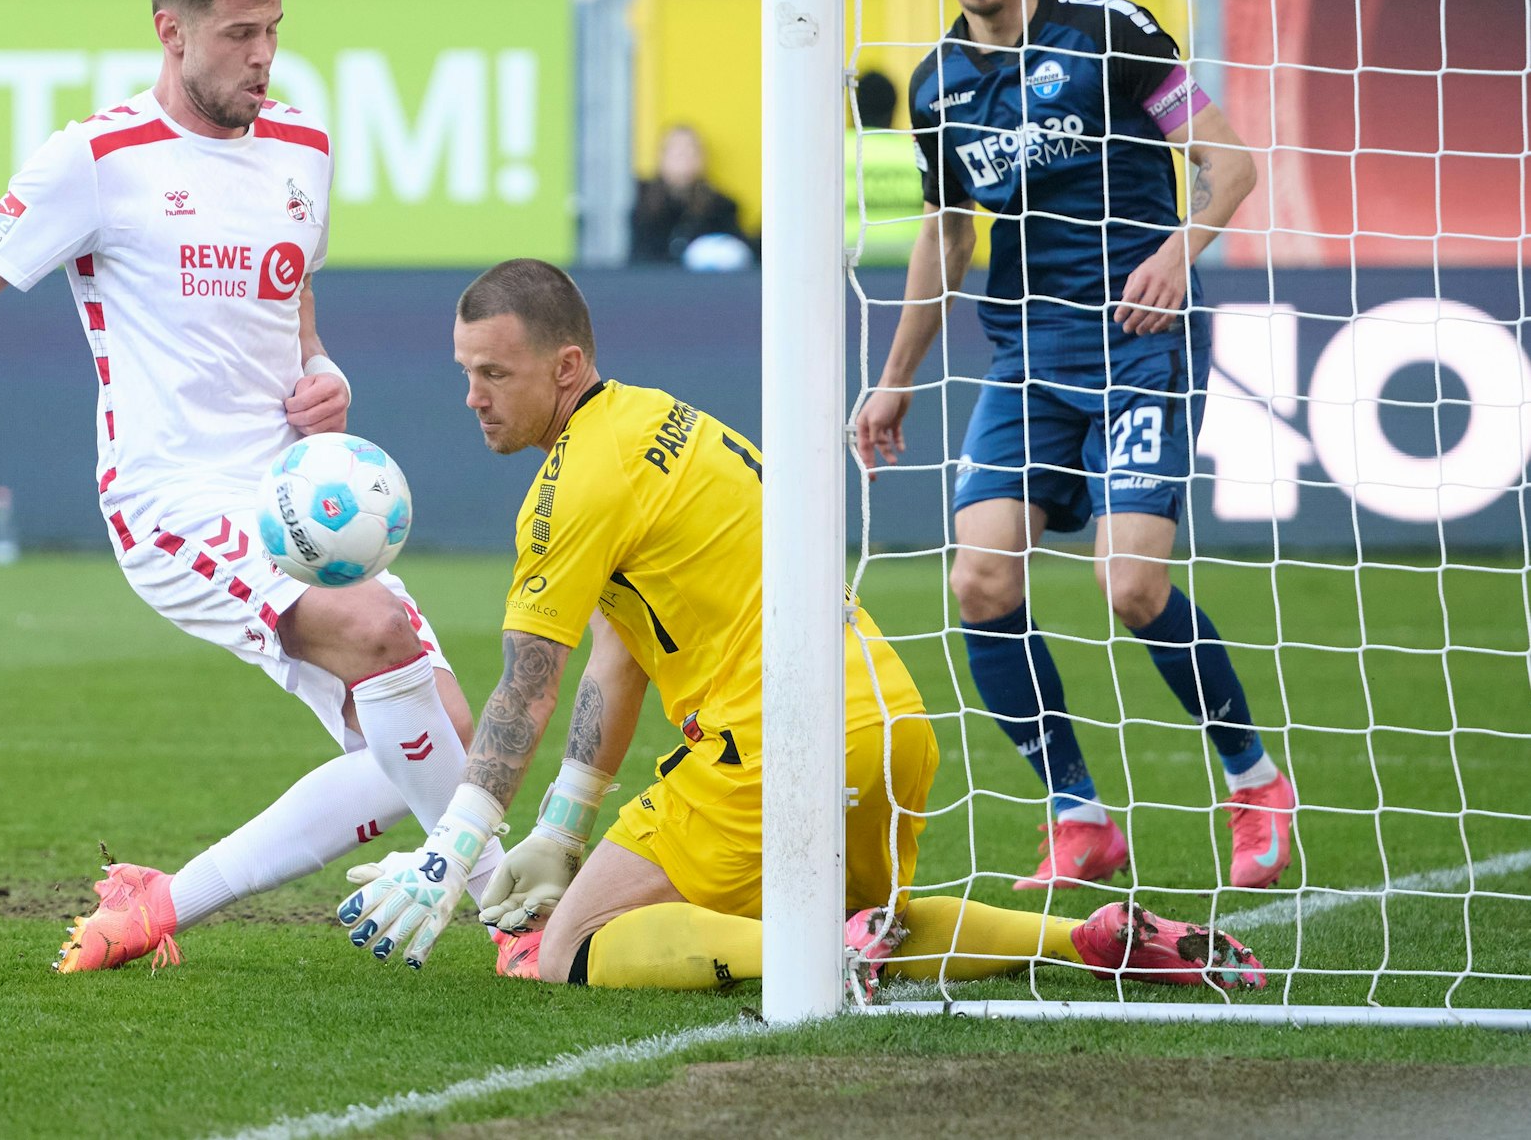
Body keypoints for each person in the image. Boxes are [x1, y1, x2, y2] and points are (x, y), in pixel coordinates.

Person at [0, 0, 503, 972]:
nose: (262, 56)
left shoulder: (303, 149)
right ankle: (515, 912)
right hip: (173, 501)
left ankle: (158, 906)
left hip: (288, 491)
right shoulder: (96, 159)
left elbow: (293, 303)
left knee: (436, 741)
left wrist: (321, 368)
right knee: (381, 634)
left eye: (273, 31)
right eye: (239, 33)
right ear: (171, 31)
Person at [331, 258, 1265, 998]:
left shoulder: (571, 484)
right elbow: (621, 653)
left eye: (494, 373)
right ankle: (1094, 943)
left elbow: (525, 687)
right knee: (868, 916)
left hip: (768, 750)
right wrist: (565, 827)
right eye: (466, 373)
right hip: (885, 721)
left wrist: (449, 850)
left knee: (569, 946)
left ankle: (815, 958)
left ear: (565, 366)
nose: (472, 396)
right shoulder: (662, 419)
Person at [854, 0, 1292, 892]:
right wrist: (895, 375)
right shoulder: (936, 86)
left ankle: (1255, 778)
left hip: (1137, 343)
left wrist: (1178, 250)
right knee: (978, 575)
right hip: (1027, 355)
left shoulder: (1113, 31)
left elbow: (1228, 164)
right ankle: (1079, 814)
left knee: (1131, 584)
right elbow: (946, 236)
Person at [628, 125, 752, 269]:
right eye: (676, 151)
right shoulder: (641, 202)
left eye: (690, 151)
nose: (683, 157)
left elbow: (738, 252)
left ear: (702, 158)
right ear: (661, 157)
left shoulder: (720, 207)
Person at [844, 70, 929, 262]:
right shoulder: (917, 150)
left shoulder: (835, 152)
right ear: (894, 107)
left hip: (846, 265)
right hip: (913, 269)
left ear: (852, 107)